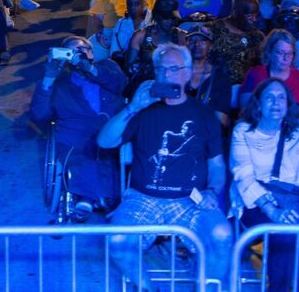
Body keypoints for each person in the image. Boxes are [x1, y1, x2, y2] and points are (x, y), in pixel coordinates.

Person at [97, 43, 232, 282]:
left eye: (173, 69)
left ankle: (206, 288)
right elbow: (105, 142)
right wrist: (132, 107)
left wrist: (213, 190)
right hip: (143, 198)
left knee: (221, 235)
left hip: (191, 198)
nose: (166, 75)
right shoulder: (142, 109)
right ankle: (147, 287)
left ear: (188, 73)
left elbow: (217, 166)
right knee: (117, 240)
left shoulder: (203, 114)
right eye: (161, 70)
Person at [230, 78, 299, 292]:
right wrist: (272, 210)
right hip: (255, 201)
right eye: (269, 98)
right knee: (285, 233)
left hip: (295, 196)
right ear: (259, 104)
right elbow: (244, 176)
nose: (276, 103)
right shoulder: (243, 130)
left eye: (281, 97)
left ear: (288, 103)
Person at [30, 36, 126, 217]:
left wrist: (89, 68)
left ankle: (93, 197)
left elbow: (120, 85)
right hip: (78, 135)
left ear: (92, 53)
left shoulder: (107, 67)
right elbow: (39, 115)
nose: (77, 55)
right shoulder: (59, 83)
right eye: (71, 52)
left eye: (82, 50)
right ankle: (99, 198)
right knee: (85, 148)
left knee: (114, 149)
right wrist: (48, 79)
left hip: (112, 128)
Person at [240, 30, 299, 127]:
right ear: (269, 52)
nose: (286, 58)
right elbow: (245, 111)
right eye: (280, 53)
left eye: (289, 53)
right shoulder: (255, 73)